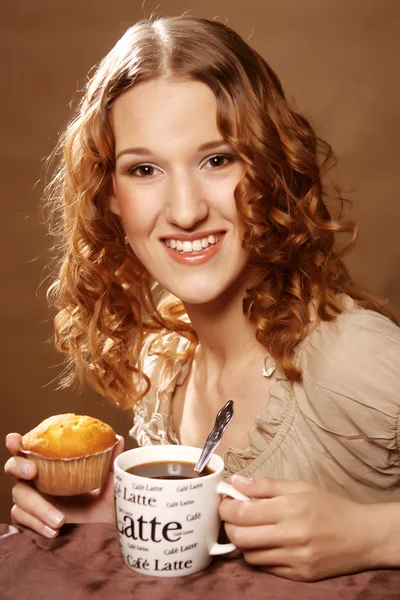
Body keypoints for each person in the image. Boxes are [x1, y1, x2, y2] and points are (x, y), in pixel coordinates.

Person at [5, 16, 400, 582]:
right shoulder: (164, 364)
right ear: (109, 196)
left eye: (217, 159)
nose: (186, 209)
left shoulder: (355, 359)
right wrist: (104, 513)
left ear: (266, 164)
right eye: (144, 169)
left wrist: (376, 535)